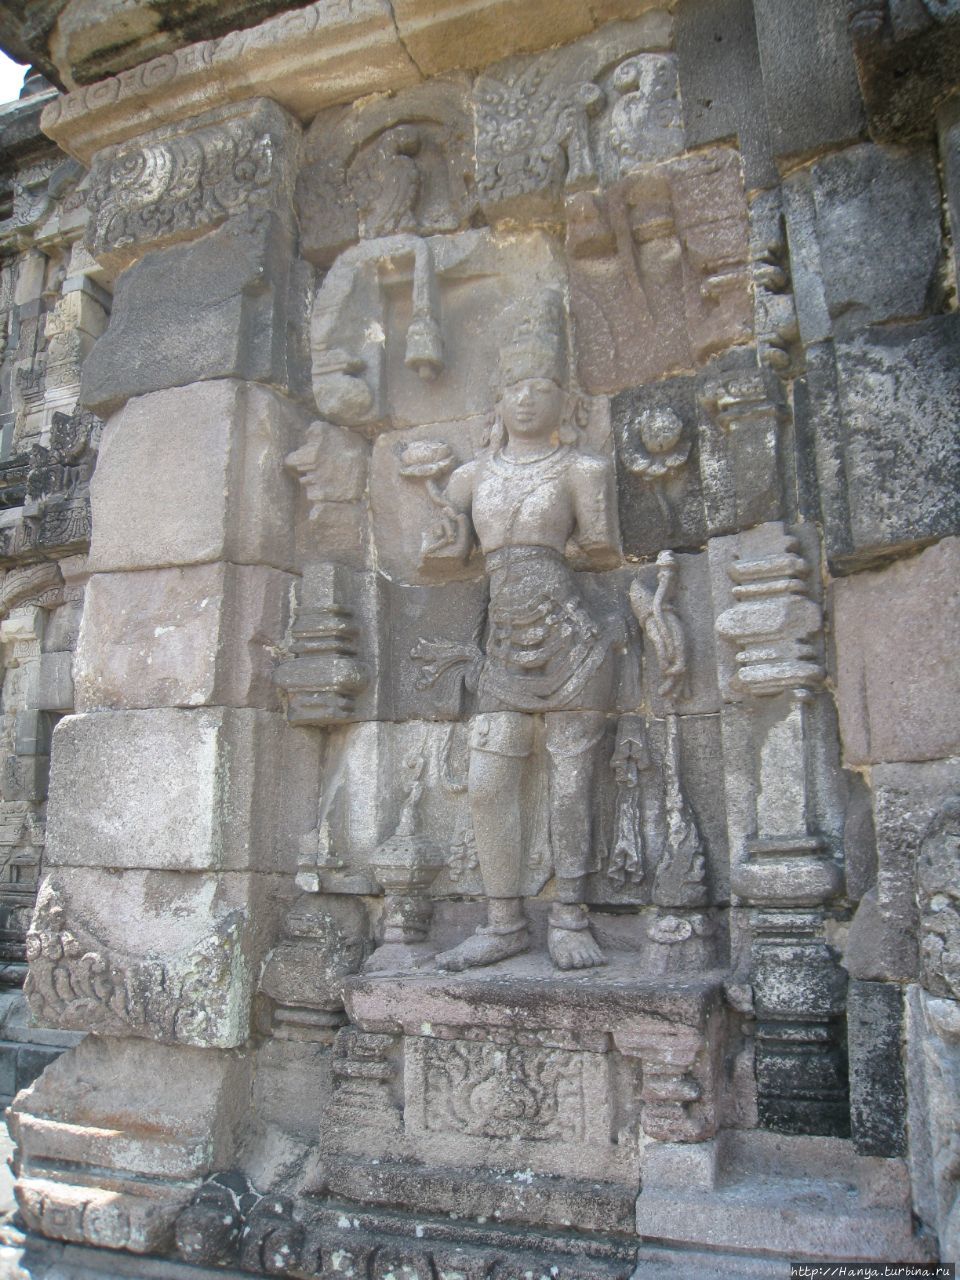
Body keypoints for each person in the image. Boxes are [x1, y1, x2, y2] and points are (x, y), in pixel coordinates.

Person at [417, 290, 623, 971]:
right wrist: (440, 528)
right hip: (503, 644)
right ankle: (502, 921)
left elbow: (599, 548)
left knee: (571, 783)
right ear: (497, 401)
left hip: (570, 639)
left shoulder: (583, 471)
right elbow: (446, 555)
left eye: (542, 385)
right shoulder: (469, 478)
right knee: (487, 781)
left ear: (567, 400)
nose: (527, 398)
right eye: (514, 387)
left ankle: (570, 917)